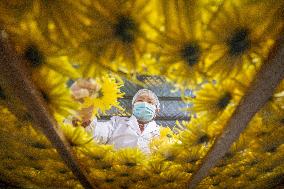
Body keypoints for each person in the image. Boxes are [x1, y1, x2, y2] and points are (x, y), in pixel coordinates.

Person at [69, 79, 161, 154]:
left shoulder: (161, 133)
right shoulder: (117, 122)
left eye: (150, 102)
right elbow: (98, 134)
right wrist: (85, 118)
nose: (144, 104)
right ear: (133, 106)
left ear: (157, 111)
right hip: (114, 172)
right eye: (140, 100)